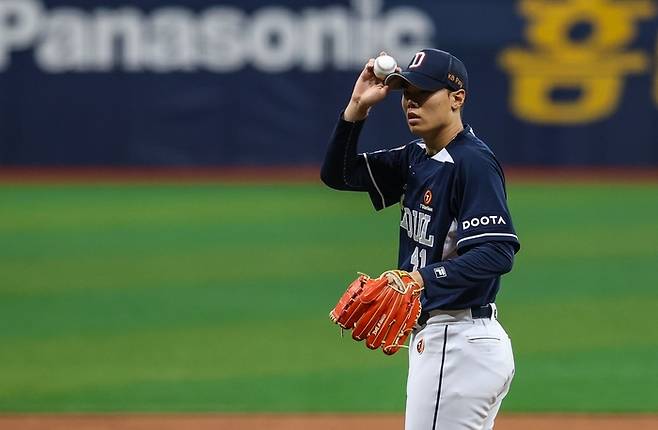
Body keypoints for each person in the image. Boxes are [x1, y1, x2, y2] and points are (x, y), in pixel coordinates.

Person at [320, 48, 520, 430]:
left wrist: (420, 278)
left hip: (458, 343)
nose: (411, 102)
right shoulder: (419, 157)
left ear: (456, 99)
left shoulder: (471, 162)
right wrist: (356, 108)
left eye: (423, 93)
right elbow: (339, 174)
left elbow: (497, 252)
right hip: (452, 343)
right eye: (405, 93)